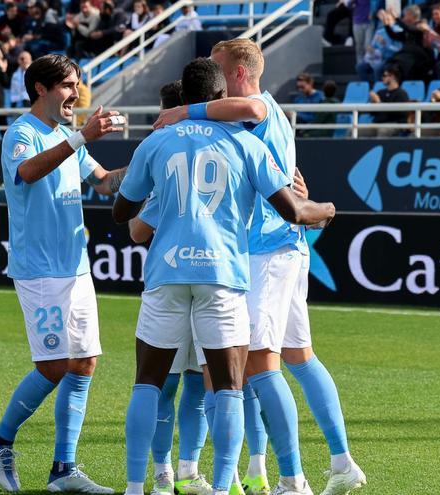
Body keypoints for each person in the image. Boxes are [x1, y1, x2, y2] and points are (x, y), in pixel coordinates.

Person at [153, 39, 366, 495]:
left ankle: (291, 479)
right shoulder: (264, 118)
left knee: (254, 363)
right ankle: (339, 461)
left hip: (264, 250)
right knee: (298, 358)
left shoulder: (257, 107)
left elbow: (247, 111)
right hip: (284, 247)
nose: (212, 78)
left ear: (239, 74)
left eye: (218, 68)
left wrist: (183, 113)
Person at [0, 54, 127, 493]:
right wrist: (81, 138)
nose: (76, 92)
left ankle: (63, 470)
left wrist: (150, 161)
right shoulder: (21, 133)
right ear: (40, 89)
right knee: (52, 366)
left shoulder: (67, 135)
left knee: (83, 363)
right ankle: (0, 439)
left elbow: (104, 182)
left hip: (76, 266)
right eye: (67, 84)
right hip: (40, 269)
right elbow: (26, 173)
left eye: (78, 83)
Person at [127, 80, 212, 495]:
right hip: (216, 277)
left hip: (174, 278)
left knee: (171, 383)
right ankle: (181, 471)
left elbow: (136, 229)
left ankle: (166, 474)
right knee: (195, 383)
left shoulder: (162, 152)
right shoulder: (223, 142)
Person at [380, 6, 434, 82]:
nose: (404, 17)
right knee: (391, 64)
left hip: (419, 56)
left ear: (411, 15)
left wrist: (396, 18)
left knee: (404, 64)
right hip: (406, 55)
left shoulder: (422, 25)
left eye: (405, 15)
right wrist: (386, 25)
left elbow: (410, 29)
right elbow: (394, 36)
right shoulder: (407, 30)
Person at [364, 64, 409, 136]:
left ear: (392, 77)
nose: (382, 78)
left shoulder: (401, 94)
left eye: (385, 75)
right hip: (377, 124)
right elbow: (372, 113)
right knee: (353, 130)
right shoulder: (380, 92)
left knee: (383, 131)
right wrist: (373, 103)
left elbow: (400, 114)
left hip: (394, 124)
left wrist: (378, 102)